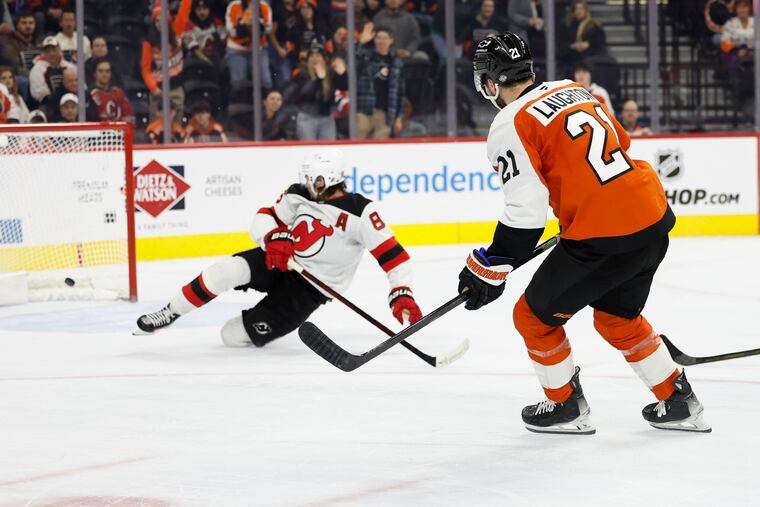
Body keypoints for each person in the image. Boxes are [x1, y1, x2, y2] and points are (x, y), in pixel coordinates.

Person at [459, 32, 710, 435]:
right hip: (652, 218)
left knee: (532, 317)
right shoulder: (572, 89)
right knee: (617, 318)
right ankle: (678, 399)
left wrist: (490, 264)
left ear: (489, 81)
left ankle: (564, 407)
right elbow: (621, 146)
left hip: (604, 237)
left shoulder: (509, 122)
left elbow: (525, 215)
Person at [135, 148, 423, 348]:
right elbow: (263, 218)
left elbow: (394, 257)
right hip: (281, 261)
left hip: (309, 290)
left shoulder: (361, 212)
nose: (310, 184)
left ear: (333, 177)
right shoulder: (298, 193)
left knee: (231, 335)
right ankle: (170, 312)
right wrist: (273, 237)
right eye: (308, 177)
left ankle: (255, 319)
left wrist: (401, 292)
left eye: (317, 179)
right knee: (225, 271)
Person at [142, 0, 193, 122]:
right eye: (157, 20)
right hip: (158, 91)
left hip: (176, 89)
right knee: (157, 128)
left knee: (177, 126)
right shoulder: (148, 42)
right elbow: (145, 70)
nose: (160, 23)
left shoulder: (177, 30)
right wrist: (154, 89)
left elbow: (185, 8)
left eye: (163, 20)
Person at [356, 25, 405, 139]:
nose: (381, 41)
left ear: (391, 40)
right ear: (374, 39)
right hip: (363, 111)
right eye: (378, 37)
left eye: (385, 38)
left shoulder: (397, 63)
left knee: (380, 152)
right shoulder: (366, 57)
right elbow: (353, 61)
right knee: (358, 147)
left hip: (384, 114)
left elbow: (400, 93)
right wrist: (360, 42)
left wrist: (399, 117)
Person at [293, 41, 344, 140]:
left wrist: (343, 74)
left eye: (318, 56)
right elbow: (304, 94)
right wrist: (318, 80)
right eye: (312, 56)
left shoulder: (330, 73)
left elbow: (344, 86)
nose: (315, 59)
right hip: (307, 117)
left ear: (324, 59)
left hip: (327, 118)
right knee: (308, 151)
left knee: (327, 151)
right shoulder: (301, 72)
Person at [225, 0, 273, 88]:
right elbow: (232, 31)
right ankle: (240, 101)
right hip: (237, 49)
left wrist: (255, 20)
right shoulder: (234, 5)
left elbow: (268, 29)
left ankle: (267, 101)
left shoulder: (264, 6)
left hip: (259, 49)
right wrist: (245, 21)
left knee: (265, 81)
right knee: (238, 83)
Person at [558, 0, 607, 75]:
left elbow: (600, 41)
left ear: (586, 10)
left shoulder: (593, 25)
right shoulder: (568, 26)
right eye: (576, 9)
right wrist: (572, 46)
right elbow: (563, 43)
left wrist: (588, 44)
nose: (578, 11)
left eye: (581, 9)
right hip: (572, 57)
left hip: (590, 55)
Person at [29, 36, 75, 104]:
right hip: (49, 103)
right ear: (43, 53)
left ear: (59, 50)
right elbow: (40, 95)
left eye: (54, 50)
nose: (51, 54)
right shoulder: (37, 70)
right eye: (48, 51)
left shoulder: (69, 66)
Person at [90, 58, 134, 124]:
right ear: (94, 74)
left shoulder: (119, 93)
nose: (104, 74)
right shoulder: (90, 94)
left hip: (119, 131)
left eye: (107, 71)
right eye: (100, 71)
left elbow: (129, 117)